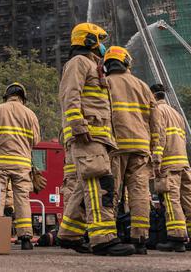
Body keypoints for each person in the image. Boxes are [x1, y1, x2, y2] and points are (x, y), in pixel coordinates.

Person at [56, 23, 135, 256]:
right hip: (87, 133)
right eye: (99, 40)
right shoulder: (78, 63)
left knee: (84, 186)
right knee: (100, 183)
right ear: (89, 40)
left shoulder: (92, 65)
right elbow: (70, 95)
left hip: (97, 134)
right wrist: (78, 125)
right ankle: (103, 239)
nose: (102, 46)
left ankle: (69, 234)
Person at [103, 46, 156, 254]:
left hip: (115, 146)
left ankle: (110, 236)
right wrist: (155, 150)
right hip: (141, 148)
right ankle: (140, 239)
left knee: (111, 192)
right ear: (127, 62)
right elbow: (155, 122)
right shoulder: (143, 86)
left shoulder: (104, 83)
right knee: (140, 194)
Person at [0, 82, 40, 250]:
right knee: (22, 199)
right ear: (23, 97)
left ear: (6, 95)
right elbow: (36, 140)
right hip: (22, 163)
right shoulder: (30, 114)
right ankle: (26, 238)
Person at [150, 83, 191, 252]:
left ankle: (176, 238)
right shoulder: (177, 113)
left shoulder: (157, 111)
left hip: (168, 163)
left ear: (152, 95)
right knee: (190, 201)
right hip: (184, 164)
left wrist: (157, 160)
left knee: (171, 199)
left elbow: (159, 136)